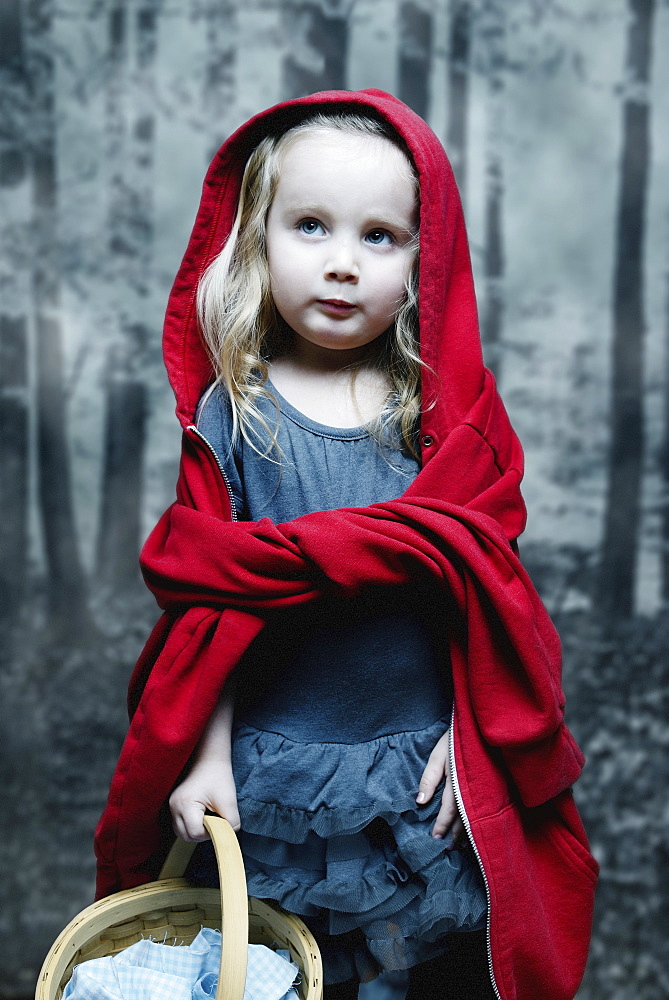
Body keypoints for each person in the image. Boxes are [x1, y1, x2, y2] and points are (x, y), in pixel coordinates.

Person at [94, 90, 598, 1000]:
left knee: (406, 975)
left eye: (379, 237)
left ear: (423, 260)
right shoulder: (234, 414)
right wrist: (207, 757)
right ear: (259, 238)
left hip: (410, 763)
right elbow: (207, 607)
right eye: (311, 226)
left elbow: (483, 596)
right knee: (280, 969)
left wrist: (469, 727)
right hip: (274, 761)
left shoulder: (435, 421)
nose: (340, 265)